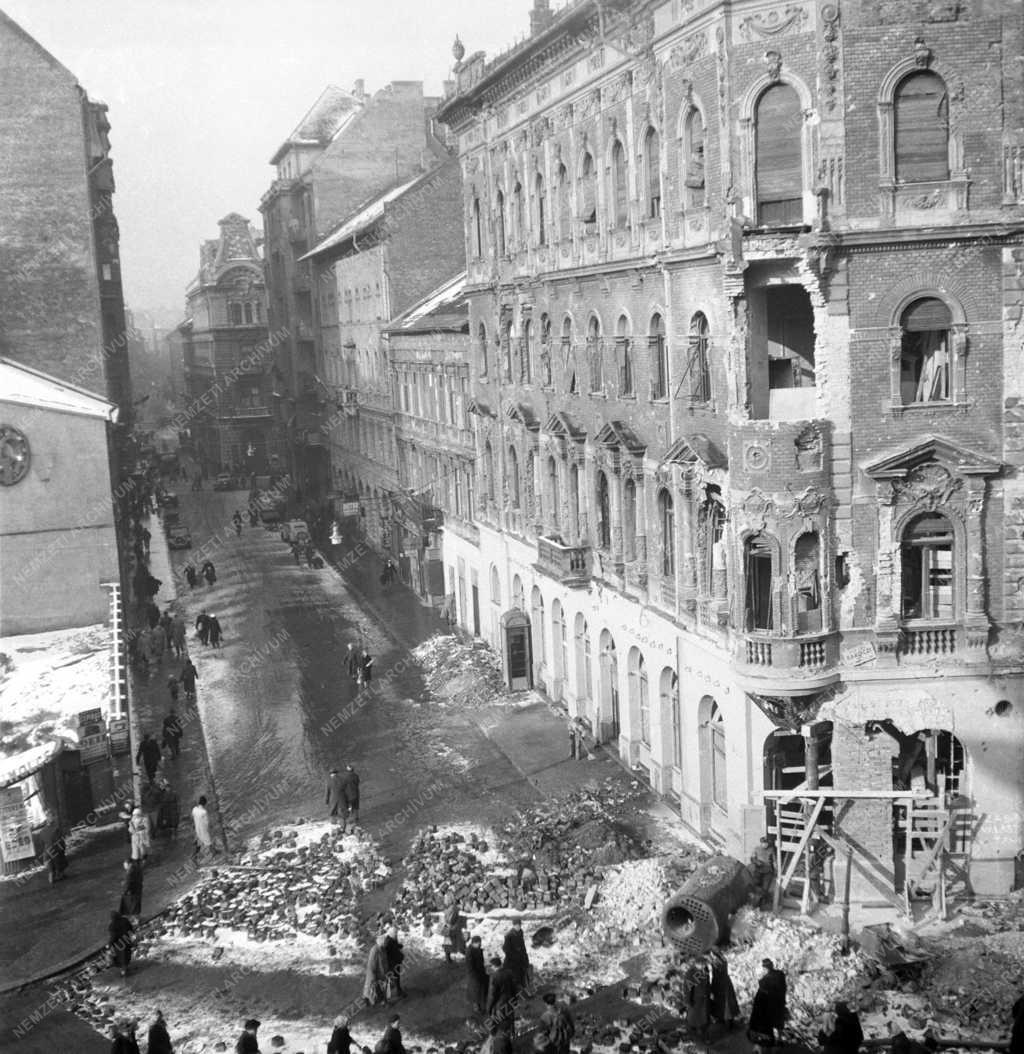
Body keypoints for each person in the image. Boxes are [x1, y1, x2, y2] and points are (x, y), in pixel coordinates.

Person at [747, 958, 787, 1053]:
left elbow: (759, 1002)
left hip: (768, 1009)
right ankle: (780, 1040)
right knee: (779, 1023)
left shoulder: (764, 981)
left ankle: (762, 1046)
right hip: (779, 1004)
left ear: (765, 968)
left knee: (767, 1027)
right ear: (772, 965)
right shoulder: (780, 974)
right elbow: (784, 988)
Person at [708, 949, 740, 1030]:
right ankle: (726, 1020)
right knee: (725, 1003)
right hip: (724, 983)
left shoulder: (718, 962)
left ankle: (727, 1022)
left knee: (725, 1004)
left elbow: (717, 969)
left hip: (720, 984)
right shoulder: (722, 960)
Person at [487, 955, 518, 1035]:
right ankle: (512, 1035)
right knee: (510, 1020)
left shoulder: (494, 977)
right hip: (510, 1001)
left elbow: (492, 995)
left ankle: (500, 1040)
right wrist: (515, 1000)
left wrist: (489, 1008)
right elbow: (515, 988)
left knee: (500, 1023)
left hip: (499, 1004)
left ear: (494, 966)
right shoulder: (509, 973)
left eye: (491, 966)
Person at [682, 960, 711, 1041]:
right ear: (696, 963)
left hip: (705, 1000)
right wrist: (688, 1001)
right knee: (696, 1018)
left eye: (705, 964)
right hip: (696, 1001)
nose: (704, 966)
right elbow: (687, 989)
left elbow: (708, 982)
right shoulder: (690, 973)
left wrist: (709, 991)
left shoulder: (705, 969)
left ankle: (703, 1034)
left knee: (705, 1018)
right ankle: (698, 1033)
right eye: (702, 964)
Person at [502, 917, 531, 991]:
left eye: (519, 925)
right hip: (512, 960)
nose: (518, 927)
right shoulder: (509, 936)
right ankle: (514, 990)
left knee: (523, 974)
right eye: (517, 925)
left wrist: (525, 957)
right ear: (513, 925)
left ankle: (524, 989)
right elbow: (506, 949)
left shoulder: (520, 932)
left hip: (521, 957)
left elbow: (523, 946)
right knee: (514, 975)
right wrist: (514, 956)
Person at [363, 932, 389, 1006]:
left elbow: (384, 961)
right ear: (382, 942)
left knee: (378, 989)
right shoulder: (375, 950)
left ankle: (381, 1001)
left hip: (381, 974)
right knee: (372, 989)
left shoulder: (382, 949)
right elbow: (371, 965)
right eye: (386, 942)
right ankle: (370, 1001)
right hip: (376, 974)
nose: (387, 943)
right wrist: (373, 977)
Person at [42, 812, 68, 884]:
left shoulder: (43, 831)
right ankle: (60, 874)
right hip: (56, 850)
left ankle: (53, 876)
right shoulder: (56, 829)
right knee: (60, 862)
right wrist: (63, 847)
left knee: (51, 869)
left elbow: (43, 842)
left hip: (47, 852)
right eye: (52, 816)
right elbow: (60, 840)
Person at [750, 837, 776, 908]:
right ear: (761, 843)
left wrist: (776, 870)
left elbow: (774, 861)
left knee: (765, 889)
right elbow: (752, 858)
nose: (765, 845)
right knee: (755, 886)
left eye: (766, 843)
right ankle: (753, 903)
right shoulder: (757, 849)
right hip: (758, 871)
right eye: (764, 843)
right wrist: (756, 862)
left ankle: (762, 904)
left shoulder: (771, 850)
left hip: (768, 872)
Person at [108, 910, 134, 978]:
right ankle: (126, 969)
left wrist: (110, 945)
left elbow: (113, 937)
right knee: (127, 956)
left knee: (121, 959)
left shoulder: (112, 926)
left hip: (119, 944)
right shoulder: (125, 920)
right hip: (127, 940)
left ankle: (124, 973)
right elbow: (131, 928)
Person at [466, 935, 488, 1015]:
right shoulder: (470, 952)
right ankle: (476, 1007)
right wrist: (474, 976)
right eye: (477, 943)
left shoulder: (477, 949)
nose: (479, 945)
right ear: (473, 943)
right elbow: (470, 966)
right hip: (474, 975)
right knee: (475, 991)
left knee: (482, 989)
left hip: (480, 972)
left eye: (479, 943)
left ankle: (482, 1003)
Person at [383, 923, 406, 999]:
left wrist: (400, 946)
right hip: (391, 964)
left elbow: (395, 946)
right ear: (392, 934)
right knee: (391, 980)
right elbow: (389, 952)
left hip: (395, 963)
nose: (396, 935)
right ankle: (387, 996)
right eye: (396, 934)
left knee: (396, 978)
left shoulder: (391, 939)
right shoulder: (388, 942)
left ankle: (398, 991)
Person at [442, 895, 466, 962]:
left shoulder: (452, 909)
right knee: (449, 943)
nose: (445, 901)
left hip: (451, 927)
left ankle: (465, 956)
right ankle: (448, 958)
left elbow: (450, 919)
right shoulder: (451, 908)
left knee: (453, 942)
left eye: (446, 900)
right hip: (450, 927)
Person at [192, 796, 214, 861]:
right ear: (204, 803)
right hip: (203, 830)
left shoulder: (194, 809)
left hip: (197, 829)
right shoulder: (204, 812)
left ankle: (194, 857)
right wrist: (209, 829)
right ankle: (213, 855)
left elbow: (193, 818)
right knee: (209, 843)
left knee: (198, 845)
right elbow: (207, 823)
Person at [341, 764, 360, 830]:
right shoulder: (356, 776)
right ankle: (356, 819)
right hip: (356, 794)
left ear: (347, 770)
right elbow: (357, 783)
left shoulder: (345, 777)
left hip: (349, 795)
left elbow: (342, 787)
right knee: (356, 807)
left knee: (349, 807)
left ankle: (349, 822)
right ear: (353, 770)